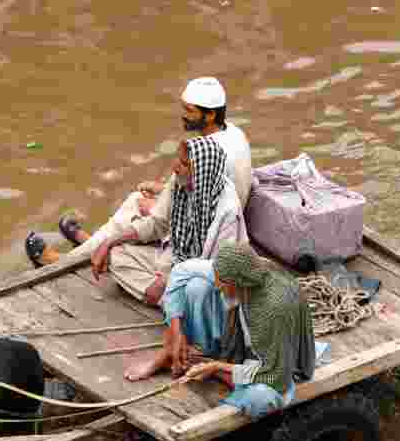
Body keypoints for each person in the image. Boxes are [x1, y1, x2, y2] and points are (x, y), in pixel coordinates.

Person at [26, 76, 253, 306]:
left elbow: (199, 237)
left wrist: (163, 201)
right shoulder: (232, 135)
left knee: (137, 203)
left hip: (196, 257)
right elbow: (197, 190)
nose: (183, 114)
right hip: (194, 226)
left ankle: (68, 260)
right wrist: (165, 191)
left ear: (211, 114)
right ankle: (96, 243)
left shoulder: (219, 188)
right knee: (137, 211)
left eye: (189, 110)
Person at [126, 241, 316, 420]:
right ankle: (187, 355)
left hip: (276, 365)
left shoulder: (271, 310)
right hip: (245, 341)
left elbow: (275, 376)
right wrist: (177, 332)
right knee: (198, 287)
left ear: (238, 282)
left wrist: (217, 367)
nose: (217, 286)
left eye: (222, 283)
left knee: (260, 397)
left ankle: (208, 364)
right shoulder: (243, 269)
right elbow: (180, 272)